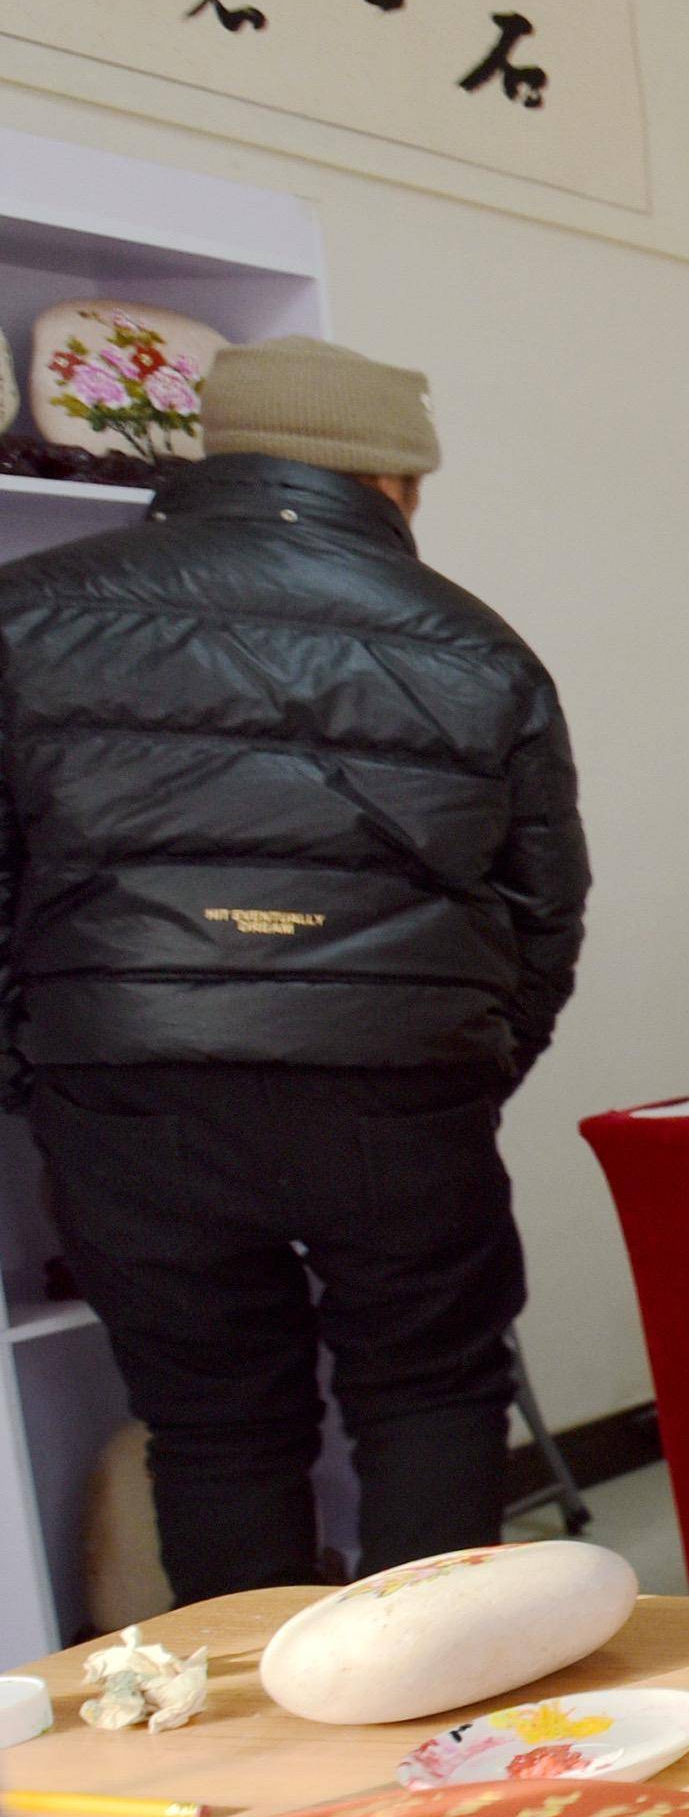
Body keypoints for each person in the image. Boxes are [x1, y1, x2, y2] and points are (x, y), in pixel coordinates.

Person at [0, 338, 582, 1595]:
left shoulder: (30, 614)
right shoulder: (476, 648)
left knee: (215, 1428)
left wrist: (45, 1061)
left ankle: (264, 1768)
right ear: (395, 482)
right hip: (396, 1089)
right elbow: (542, 909)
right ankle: (443, 1740)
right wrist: (461, 1056)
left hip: (131, 1092)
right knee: (432, 1392)